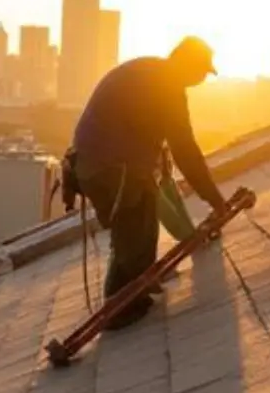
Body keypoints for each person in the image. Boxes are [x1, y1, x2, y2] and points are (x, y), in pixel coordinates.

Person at [68, 36, 232, 331]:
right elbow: (186, 150)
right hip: (112, 167)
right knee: (137, 229)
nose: (201, 80)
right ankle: (123, 308)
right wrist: (215, 199)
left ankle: (127, 298)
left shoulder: (150, 72)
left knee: (134, 229)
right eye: (201, 72)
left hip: (94, 164)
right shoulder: (166, 86)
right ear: (186, 64)